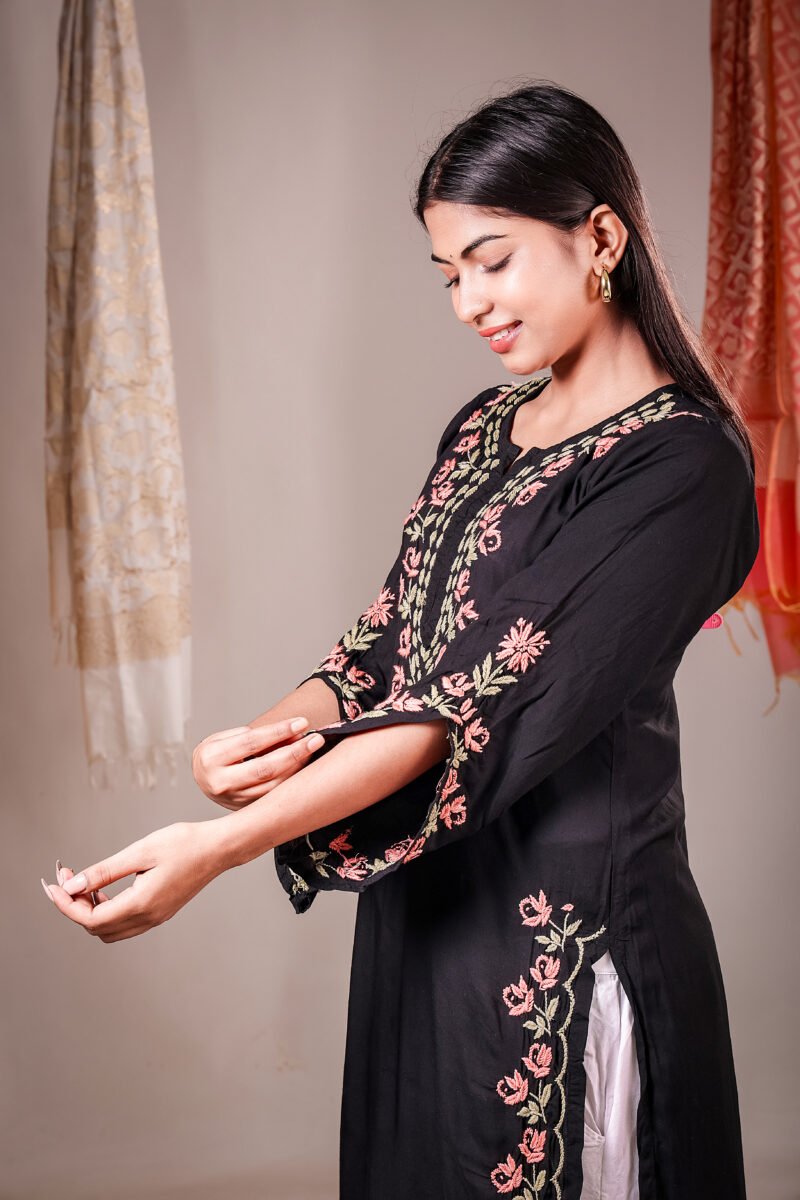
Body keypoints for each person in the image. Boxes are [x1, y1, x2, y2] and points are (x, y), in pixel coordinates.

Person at [42, 81, 758, 1200]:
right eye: (448, 275)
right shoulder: (483, 428)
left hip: (563, 938)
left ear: (600, 239)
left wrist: (219, 849)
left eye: (491, 260)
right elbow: (387, 649)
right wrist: (262, 741)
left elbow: (469, 704)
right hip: (424, 911)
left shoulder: (682, 466)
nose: (469, 302)